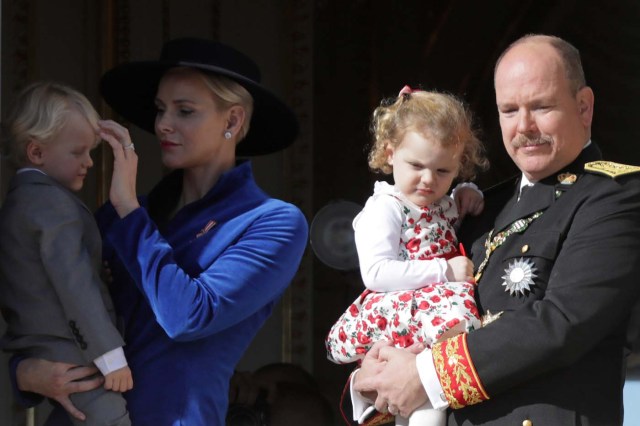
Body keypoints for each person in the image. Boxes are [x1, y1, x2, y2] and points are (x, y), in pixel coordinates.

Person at [9, 37, 309, 426]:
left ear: (232, 121)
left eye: (184, 110)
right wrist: (24, 372)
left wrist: (130, 212)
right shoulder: (123, 215)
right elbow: (45, 296)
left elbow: (187, 317)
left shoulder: (272, 222)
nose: (163, 123)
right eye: (160, 109)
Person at [351, 34, 640, 426]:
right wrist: (382, 372)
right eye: (509, 110)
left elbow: (562, 322)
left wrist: (426, 375)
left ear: (584, 107)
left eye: (541, 107)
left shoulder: (615, 197)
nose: (524, 127)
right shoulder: (481, 206)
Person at [325, 87, 487, 426]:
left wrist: (465, 193)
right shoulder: (385, 207)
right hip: (404, 311)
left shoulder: (439, 202)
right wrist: (444, 271)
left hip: (434, 308)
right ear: (389, 153)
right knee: (419, 394)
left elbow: (445, 217)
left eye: (443, 171)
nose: (428, 180)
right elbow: (377, 273)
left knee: (430, 390)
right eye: (416, 165)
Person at [0, 82, 132, 426]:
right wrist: (109, 354)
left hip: (41, 347)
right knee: (110, 419)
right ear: (37, 153)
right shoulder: (50, 204)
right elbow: (75, 283)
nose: (89, 162)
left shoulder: (21, 202)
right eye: (78, 152)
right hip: (72, 349)